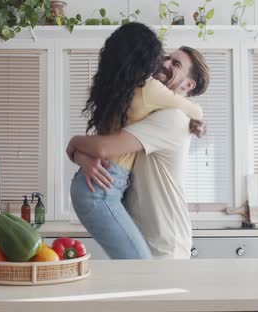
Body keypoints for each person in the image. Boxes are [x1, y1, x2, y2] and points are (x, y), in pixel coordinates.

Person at [67, 22, 204, 259]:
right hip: (129, 214)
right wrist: (79, 152)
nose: (165, 63)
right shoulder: (144, 100)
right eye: (166, 57)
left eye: (176, 64)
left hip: (164, 243)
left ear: (188, 85)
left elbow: (102, 147)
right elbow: (104, 147)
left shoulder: (171, 117)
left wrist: (76, 147)